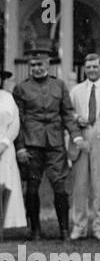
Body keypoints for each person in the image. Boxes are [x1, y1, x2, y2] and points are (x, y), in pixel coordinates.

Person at [12, 48, 82, 240]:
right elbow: (18, 120)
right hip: (31, 143)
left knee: (60, 187)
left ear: (48, 64)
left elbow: (67, 113)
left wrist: (76, 135)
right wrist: (20, 147)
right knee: (32, 187)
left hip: (55, 143)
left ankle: (64, 231)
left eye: (40, 64)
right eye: (33, 65)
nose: (36, 68)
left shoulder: (59, 85)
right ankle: (35, 230)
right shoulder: (21, 88)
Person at [68, 52, 100, 241]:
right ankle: (79, 226)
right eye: (88, 67)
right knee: (80, 185)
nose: (92, 70)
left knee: (99, 185)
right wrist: (76, 118)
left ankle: (99, 226)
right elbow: (68, 112)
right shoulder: (76, 90)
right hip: (82, 138)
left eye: (95, 66)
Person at [0, 71, 29, 233]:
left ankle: (4, 225)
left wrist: (4, 143)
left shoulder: (7, 97)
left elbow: (15, 124)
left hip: (5, 147)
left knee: (5, 184)